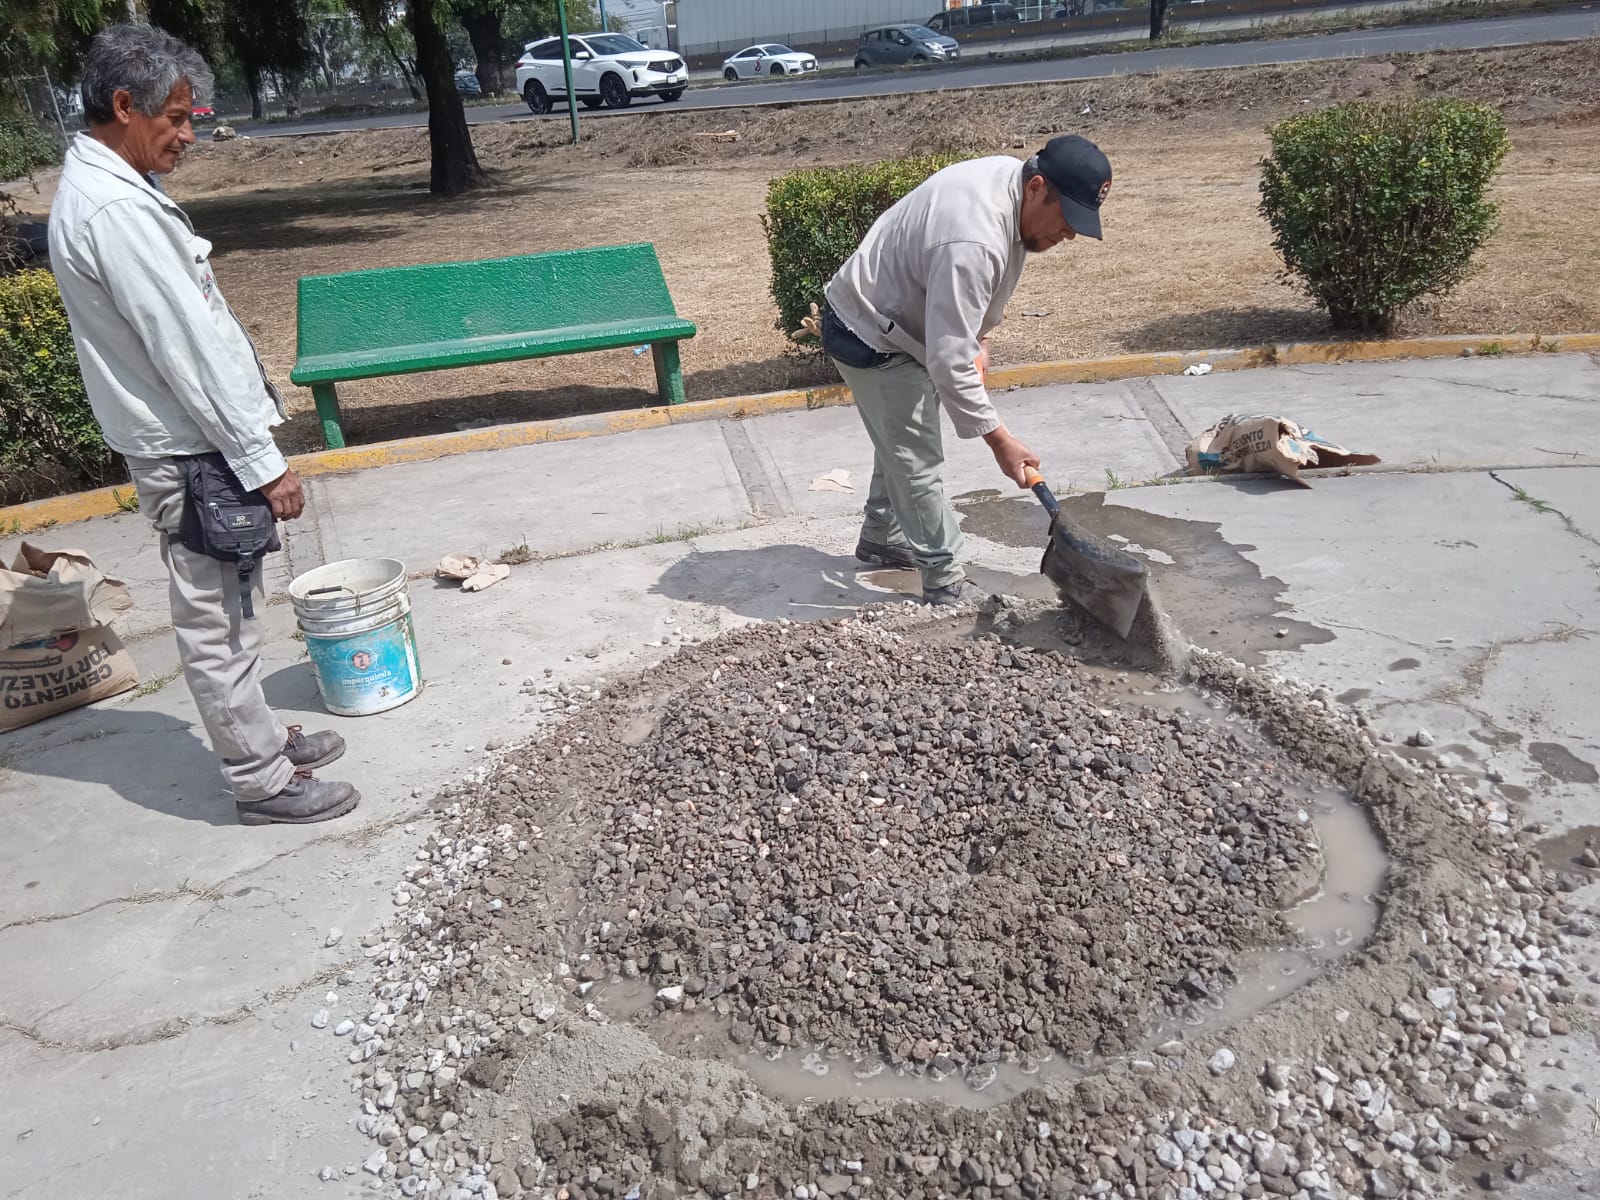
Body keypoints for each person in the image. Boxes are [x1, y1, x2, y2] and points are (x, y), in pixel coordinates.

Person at [49, 24, 359, 826]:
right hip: (192, 450)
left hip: (191, 444)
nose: (191, 134)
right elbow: (187, 352)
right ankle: (260, 780)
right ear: (124, 105)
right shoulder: (114, 210)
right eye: (178, 118)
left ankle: (257, 736)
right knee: (216, 618)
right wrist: (264, 464)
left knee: (232, 604)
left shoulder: (109, 191)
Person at [821, 135, 1113, 606]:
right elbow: (948, 359)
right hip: (868, 330)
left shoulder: (1009, 187)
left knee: (901, 434)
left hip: (903, 318)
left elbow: (963, 321)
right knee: (917, 459)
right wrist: (1001, 442)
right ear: (1037, 186)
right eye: (1067, 218)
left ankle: (881, 534)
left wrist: (980, 338)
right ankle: (945, 579)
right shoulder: (974, 237)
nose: (1070, 234)